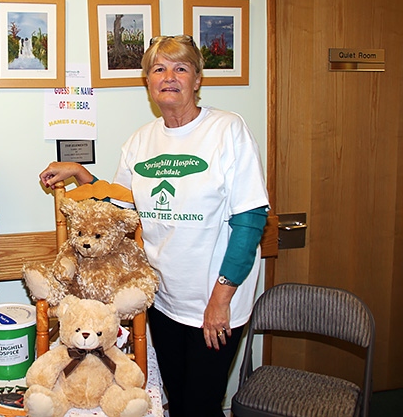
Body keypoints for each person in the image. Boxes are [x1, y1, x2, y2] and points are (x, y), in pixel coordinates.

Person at [39, 35, 269, 416]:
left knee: (201, 405)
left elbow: (250, 220)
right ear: (147, 81)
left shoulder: (228, 130)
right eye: (158, 69)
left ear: (197, 79)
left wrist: (220, 299)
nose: (169, 76)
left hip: (215, 300)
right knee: (174, 400)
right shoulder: (140, 142)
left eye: (181, 68)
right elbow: (118, 206)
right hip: (163, 299)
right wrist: (81, 174)